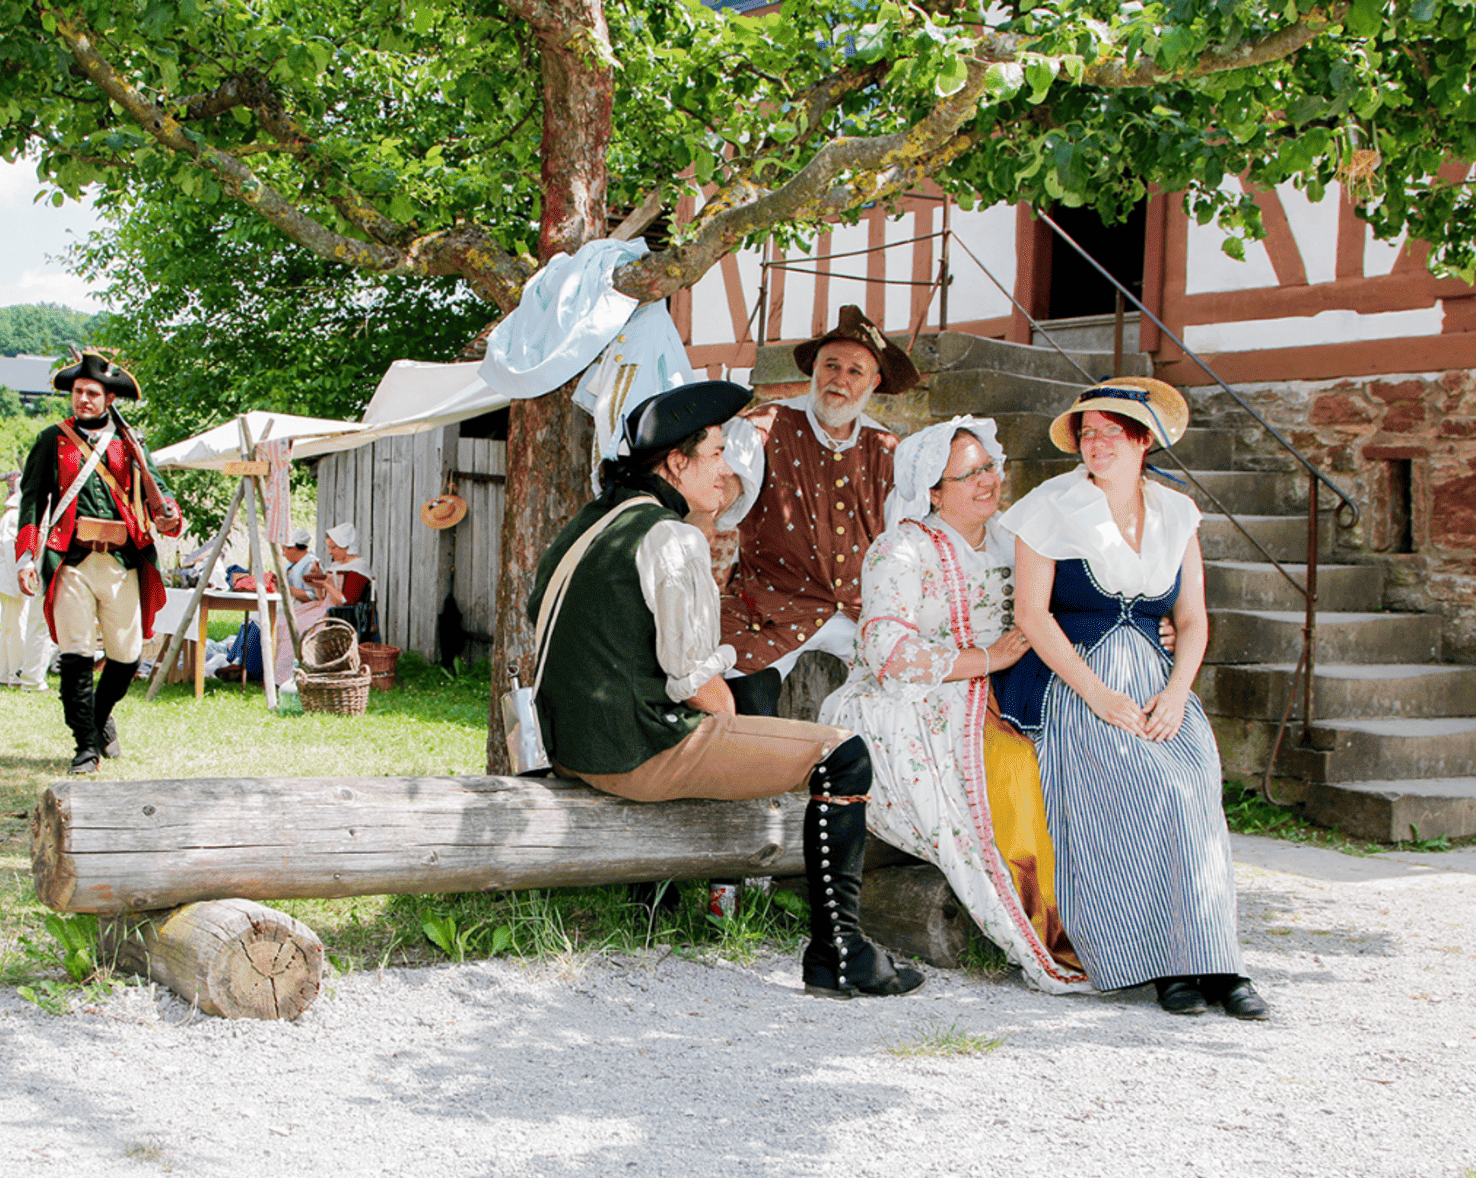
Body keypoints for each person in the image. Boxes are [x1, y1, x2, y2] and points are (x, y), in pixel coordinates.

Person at [528, 379, 923, 999]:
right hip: (633, 752)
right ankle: (839, 954)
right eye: (713, 454)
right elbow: (694, 683)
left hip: (570, 743)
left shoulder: (596, 520)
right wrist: (737, 728)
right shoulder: (673, 538)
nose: (726, 471)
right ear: (676, 463)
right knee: (844, 755)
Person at [995, 378, 1268, 1020]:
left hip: (1155, 676)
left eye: (1108, 434)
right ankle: (1159, 963)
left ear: (1143, 442)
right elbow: (1032, 615)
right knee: (1143, 785)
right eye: (1086, 434)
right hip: (1075, 679)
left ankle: (1218, 961)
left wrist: (1178, 694)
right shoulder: (1047, 507)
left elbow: (1193, 617)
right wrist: (1096, 695)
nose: (1094, 445)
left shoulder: (1177, 512)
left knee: (1196, 779)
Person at [821, 418, 1087, 993]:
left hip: (1008, 689)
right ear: (933, 492)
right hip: (922, 696)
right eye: (967, 475)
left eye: (988, 465)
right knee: (1016, 776)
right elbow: (886, 650)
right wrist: (984, 659)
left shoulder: (1014, 539)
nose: (986, 481)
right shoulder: (903, 548)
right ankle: (1055, 934)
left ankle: (1121, 925)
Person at [717, 305, 917, 691]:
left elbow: (901, 549)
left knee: (904, 697)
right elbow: (717, 513)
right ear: (814, 370)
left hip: (858, 617)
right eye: (831, 366)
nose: (839, 379)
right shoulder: (760, 428)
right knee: (739, 699)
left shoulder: (890, 449)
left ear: (874, 383)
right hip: (770, 611)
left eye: (855, 371)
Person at [16, 351, 183, 774]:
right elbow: (32, 503)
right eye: (77, 392)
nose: (83, 400)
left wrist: (169, 513)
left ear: (109, 399)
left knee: (126, 658)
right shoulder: (51, 440)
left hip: (121, 561)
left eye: (92, 393)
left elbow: (158, 493)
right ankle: (85, 746)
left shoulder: (131, 444)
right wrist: (25, 555)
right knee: (74, 654)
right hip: (71, 559)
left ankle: (96, 716)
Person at [0, 472, 53, 692]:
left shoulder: (14, 515)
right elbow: (13, 550)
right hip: (11, 578)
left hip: (10, 577)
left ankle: (3, 674)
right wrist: (23, 580)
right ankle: (16, 672)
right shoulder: (15, 517)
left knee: (10, 626)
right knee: (16, 627)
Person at [310, 522, 376, 641]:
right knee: (286, 623)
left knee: (306, 627)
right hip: (326, 610)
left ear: (347, 546)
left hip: (343, 616)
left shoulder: (358, 567)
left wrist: (325, 584)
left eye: (333, 547)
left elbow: (345, 602)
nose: (329, 552)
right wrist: (316, 576)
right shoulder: (336, 566)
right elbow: (321, 598)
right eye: (329, 547)